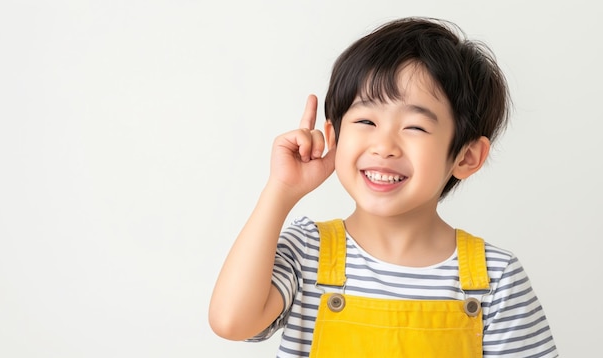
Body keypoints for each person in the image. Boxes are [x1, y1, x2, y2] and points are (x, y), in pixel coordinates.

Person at [209, 17, 558, 357]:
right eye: (365, 121)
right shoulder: (307, 251)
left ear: (466, 157)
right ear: (335, 137)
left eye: (415, 127)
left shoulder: (496, 278)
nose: (384, 145)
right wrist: (281, 190)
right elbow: (231, 322)